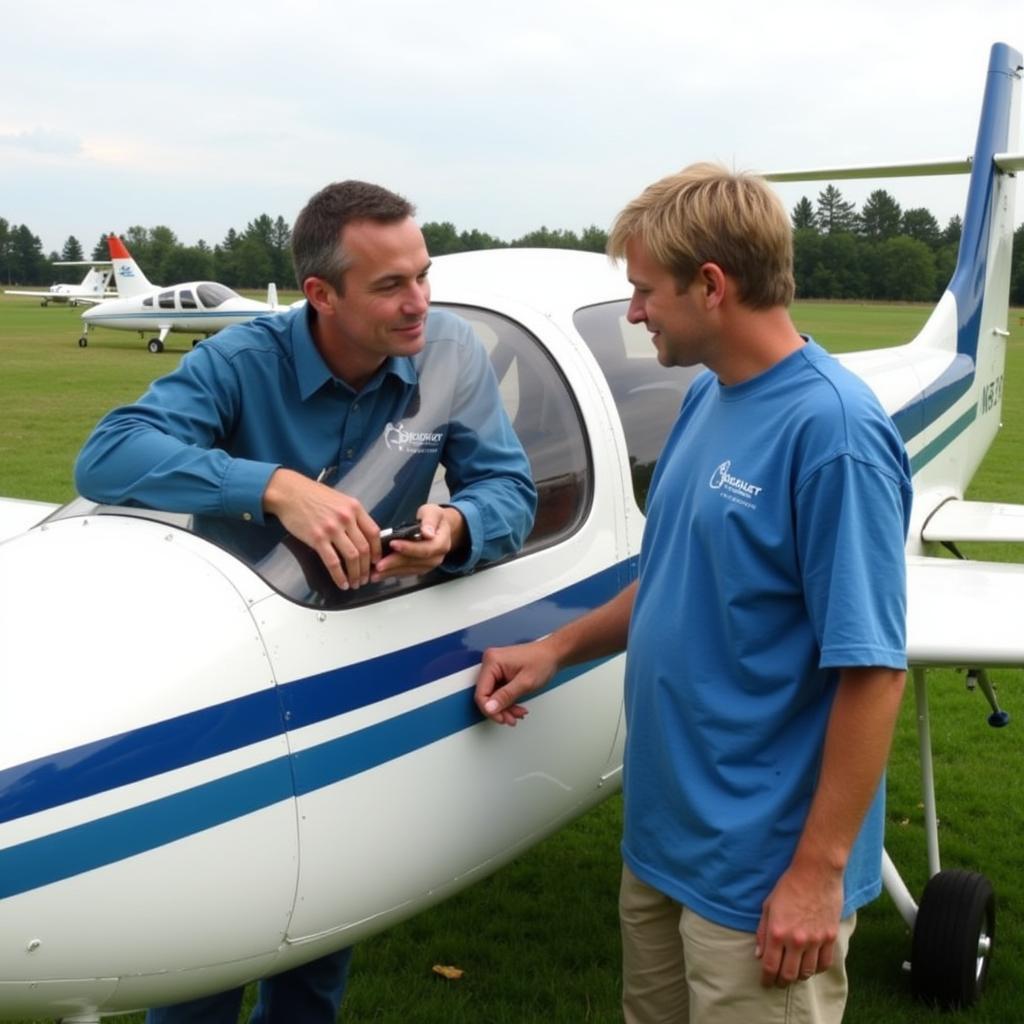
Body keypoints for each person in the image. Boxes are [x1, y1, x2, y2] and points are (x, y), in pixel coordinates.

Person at [74, 180, 537, 1024]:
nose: (419, 302)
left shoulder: (452, 352)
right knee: (208, 944)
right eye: (391, 286)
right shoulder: (242, 360)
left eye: (423, 275)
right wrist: (275, 488)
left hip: (356, 663)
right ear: (320, 295)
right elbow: (107, 457)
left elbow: (508, 484)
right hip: (231, 672)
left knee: (319, 942)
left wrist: (460, 526)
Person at [475, 164, 911, 1023]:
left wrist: (817, 876)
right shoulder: (710, 396)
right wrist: (557, 647)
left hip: (760, 882)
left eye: (644, 291)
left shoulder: (835, 434)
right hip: (667, 845)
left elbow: (874, 672)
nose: (635, 312)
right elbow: (676, 581)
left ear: (712, 286)